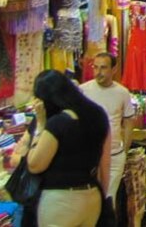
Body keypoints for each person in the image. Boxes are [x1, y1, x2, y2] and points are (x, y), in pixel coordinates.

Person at [27, 70, 110, 227]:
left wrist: (39, 126)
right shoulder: (97, 115)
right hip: (92, 195)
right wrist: (104, 196)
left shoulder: (59, 123)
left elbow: (35, 165)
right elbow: (105, 161)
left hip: (61, 200)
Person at [80, 53, 136, 203]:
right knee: (89, 201)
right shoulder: (83, 90)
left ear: (114, 69)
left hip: (114, 155)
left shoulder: (122, 93)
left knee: (108, 200)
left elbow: (129, 122)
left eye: (103, 68)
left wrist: (124, 150)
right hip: (90, 155)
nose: (98, 72)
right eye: (96, 67)